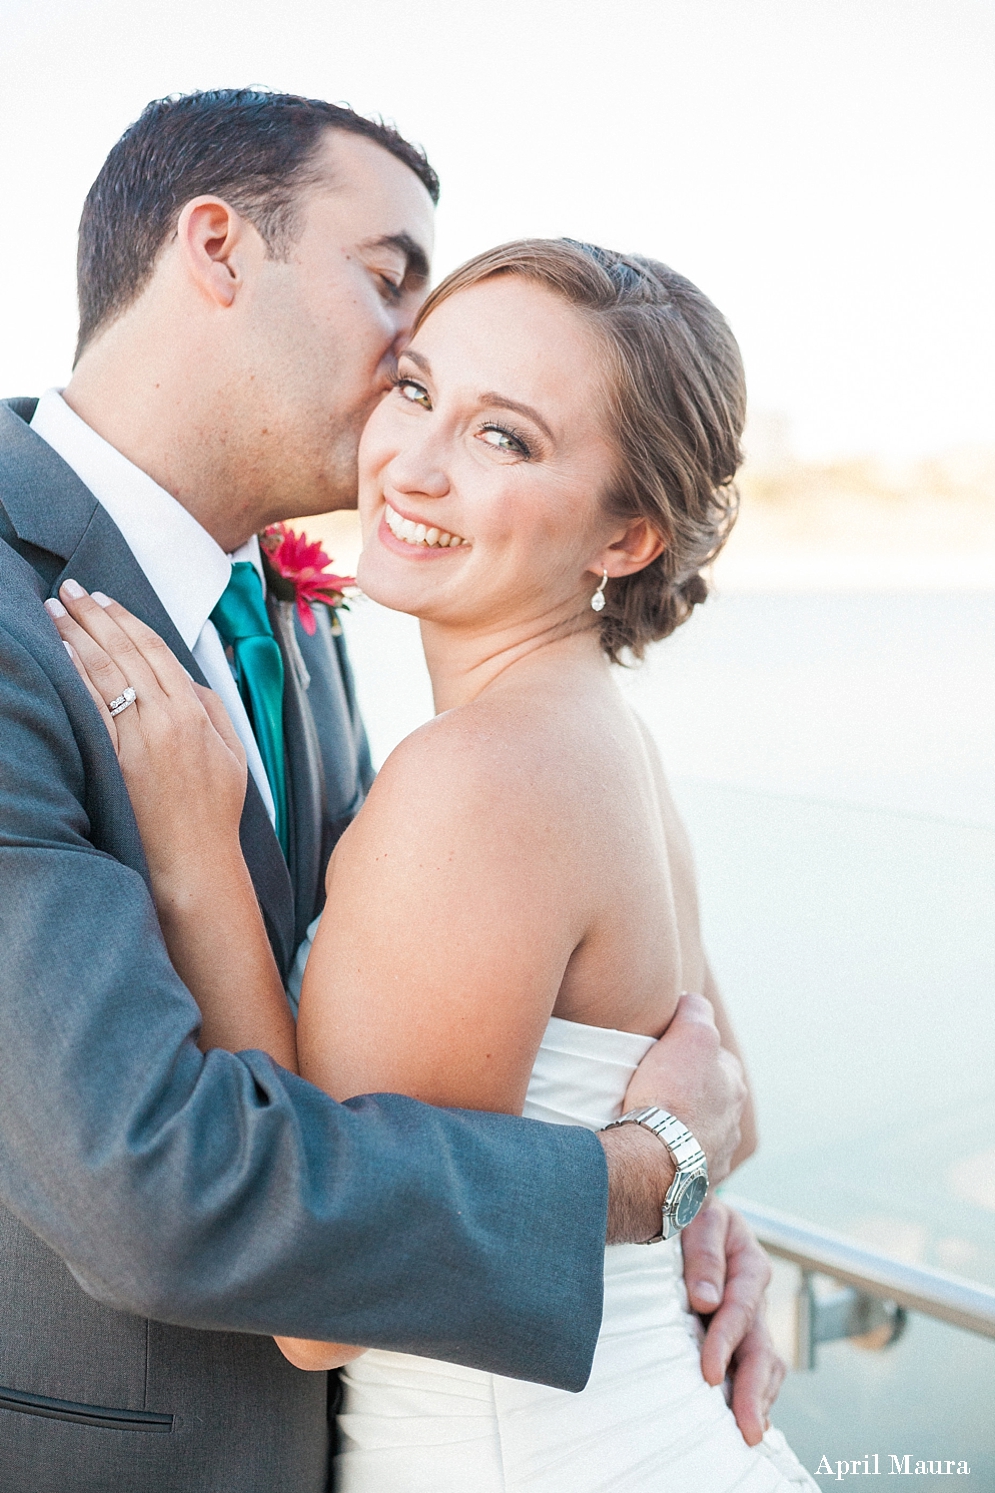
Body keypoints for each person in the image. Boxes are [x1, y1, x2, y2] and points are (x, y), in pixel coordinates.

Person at [0, 89, 781, 1493]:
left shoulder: (316, 628)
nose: (397, 390)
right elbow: (157, 1183)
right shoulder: (29, 622)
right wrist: (647, 1179)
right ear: (219, 249)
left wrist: (684, 1196)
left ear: (626, 532)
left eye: (505, 431)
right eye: (393, 297)